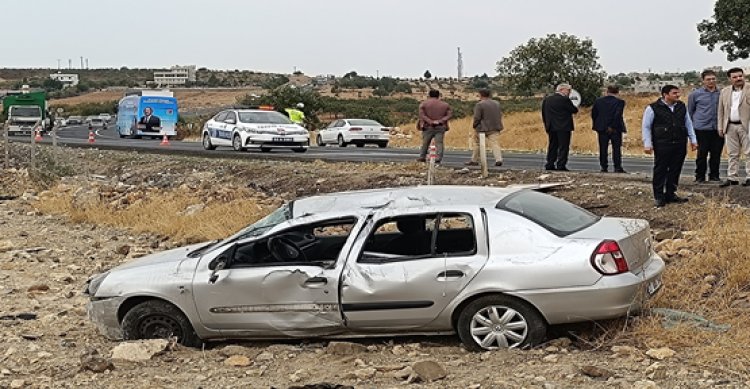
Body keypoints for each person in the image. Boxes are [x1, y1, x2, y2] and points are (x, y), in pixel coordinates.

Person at [642, 85, 698, 208]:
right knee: (660, 170)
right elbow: (646, 126)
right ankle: (659, 196)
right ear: (665, 95)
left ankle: (670, 194)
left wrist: (693, 140)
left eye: (678, 93)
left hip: (679, 143)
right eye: (674, 93)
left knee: (675, 169)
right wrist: (647, 143)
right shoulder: (653, 108)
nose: (678, 95)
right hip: (662, 143)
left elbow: (688, 123)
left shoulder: (681, 107)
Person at [688, 69, 723, 183]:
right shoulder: (695, 94)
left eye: (713, 79)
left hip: (717, 128)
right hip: (701, 128)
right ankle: (700, 176)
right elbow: (690, 111)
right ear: (703, 80)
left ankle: (714, 175)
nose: (711, 81)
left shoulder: (721, 93)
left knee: (716, 153)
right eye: (708, 79)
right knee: (702, 154)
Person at [717, 67, 750, 187]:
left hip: (746, 126)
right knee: (732, 153)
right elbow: (721, 111)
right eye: (735, 77)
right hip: (730, 126)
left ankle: (749, 177)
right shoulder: (725, 91)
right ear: (730, 79)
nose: (738, 79)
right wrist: (720, 127)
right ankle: (732, 177)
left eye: (740, 76)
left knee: (749, 152)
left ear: (744, 76)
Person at [542, 83, 579, 171]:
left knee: (552, 145)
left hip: (551, 126)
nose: (569, 92)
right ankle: (561, 164)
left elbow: (544, 113)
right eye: (568, 90)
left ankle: (550, 163)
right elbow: (574, 110)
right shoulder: (564, 100)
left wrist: (547, 124)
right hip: (564, 127)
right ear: (562, 90)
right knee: (563, 146)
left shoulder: (547, 100)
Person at [591, 85, 627, 173]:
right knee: (616, 148)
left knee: (603, 148)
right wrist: (612, 126)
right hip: (616, 129)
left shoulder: (598, 101)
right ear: (617, 92)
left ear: (607, 91)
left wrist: (598, 124)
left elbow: (594, 114)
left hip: (602, 127)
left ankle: (604, 167)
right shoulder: (620, 102)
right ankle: (617, 167)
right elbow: (617, 115)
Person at [465, 89, 504, 166]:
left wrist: (474, 125)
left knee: (477, 144)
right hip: (495, 127)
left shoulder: (479, 104)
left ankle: (474, 160)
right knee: (495, 143)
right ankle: (498, 159)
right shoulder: (497, 103)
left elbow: (477, 117)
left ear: (481, 95)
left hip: (482, 128)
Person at [417, 90, 452, 163]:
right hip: (440, 126)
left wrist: (430, 121)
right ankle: (438, 158)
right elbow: (449, 115)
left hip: (427, 126)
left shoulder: (423, 104)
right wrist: (440, 121)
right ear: (438, 95)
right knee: (439, 143)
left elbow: (422, 115)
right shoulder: (445, 105)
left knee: (425, 142)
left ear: (429, 95)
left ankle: (422, 157)